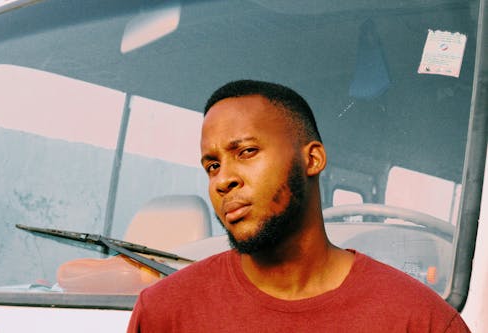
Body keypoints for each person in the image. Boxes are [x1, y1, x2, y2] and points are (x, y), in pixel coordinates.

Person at [127, 80, 470, 332]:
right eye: (212, 165)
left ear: (313, 159)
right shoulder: (164, 314)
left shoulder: (422, 322)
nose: (222, 180)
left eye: (245, 152)